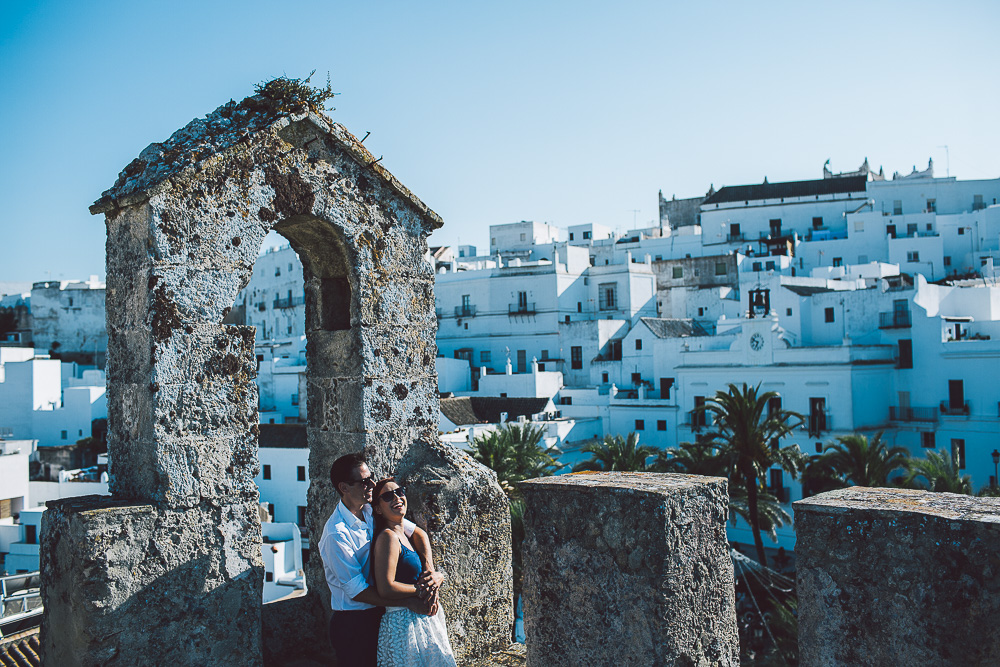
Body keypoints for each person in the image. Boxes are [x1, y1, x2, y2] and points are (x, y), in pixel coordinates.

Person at [319, 453, 443, 667]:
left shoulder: (370, 511)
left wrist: (430, 574)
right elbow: (358, 591)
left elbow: (417, 533)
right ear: (344, 487)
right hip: (354, 623)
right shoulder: (336, 534)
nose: (372, 484)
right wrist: (413, 597)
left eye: (371, 477)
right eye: (364, 481)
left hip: (381, 614)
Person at [371, 477, 456, 667]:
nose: (397, 498)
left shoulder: (405, 534)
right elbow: (386, 587)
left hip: (419, 621)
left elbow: (421, 534)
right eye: (387, 496)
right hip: (403, 625)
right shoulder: (388, 537)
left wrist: (437, 576)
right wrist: (423, 589)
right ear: (378, 509)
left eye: (399, 492)